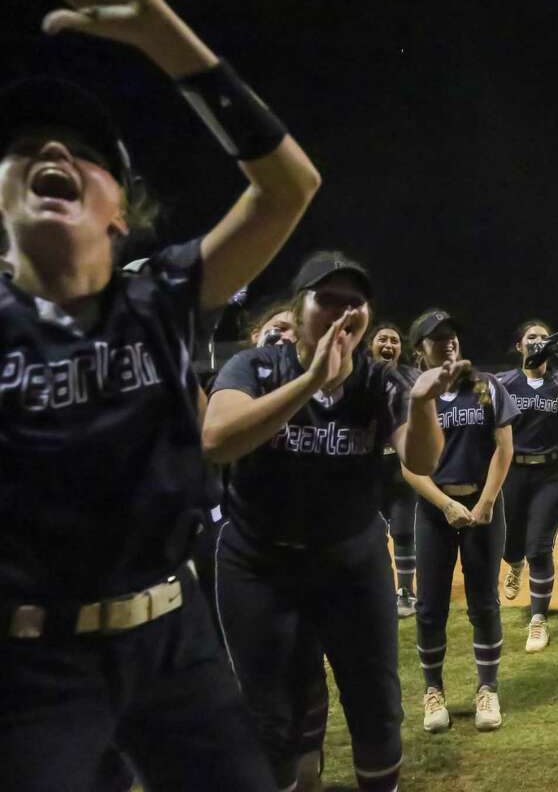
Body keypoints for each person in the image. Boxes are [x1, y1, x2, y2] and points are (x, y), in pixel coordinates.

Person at [0, 0, 322, 788]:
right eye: (25, 147)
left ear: (120, 210)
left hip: (172, 638)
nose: (53, 150)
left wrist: (162, 35)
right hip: (32, 666)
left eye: (84, 150)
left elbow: (288, 186)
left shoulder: (162, 300)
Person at [205, 255, 464, 792]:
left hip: (350, 561)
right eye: (328, 300)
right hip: (260, 564)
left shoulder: (379, 382)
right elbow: (218, 440)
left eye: (356, 302)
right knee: (270, 714)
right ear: (297, 316)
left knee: (376, 705)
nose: (345, 311)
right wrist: (312, 381)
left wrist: (420, 406)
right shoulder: (254, 368)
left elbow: (421, 462)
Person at [402, 309, 517, 733]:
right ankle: (434, 692)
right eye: (437, 338)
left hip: (484, 509)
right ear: (420, 349)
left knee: (483, 602)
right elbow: (409, 465)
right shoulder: (416, 395)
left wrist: (486, 501)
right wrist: (445, 505)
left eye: (452, 335)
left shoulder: (486, 387)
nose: (449, 342)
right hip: (435, 512)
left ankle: (488, 689)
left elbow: (504, 448)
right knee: (430, 606)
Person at [498, 319, 558, 652]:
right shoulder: (505, 383)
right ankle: (514, 564)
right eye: (531, 337)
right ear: (519, 346)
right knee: (510, 545)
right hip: (511, 474)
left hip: (550, 474)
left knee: (539, 547)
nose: (538, 342)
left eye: (544, 337)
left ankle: (538, 620)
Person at [369, 321, 421, 617]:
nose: (388, 345)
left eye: (394, 341)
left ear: (401, 348)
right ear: (371, 345)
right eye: (382, 339)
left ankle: (405, 591)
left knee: (403, 530)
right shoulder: (357, 376)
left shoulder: (414, 377)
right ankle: (374, 588)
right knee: (370, 531)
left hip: (402, 464)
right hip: (368, 465)